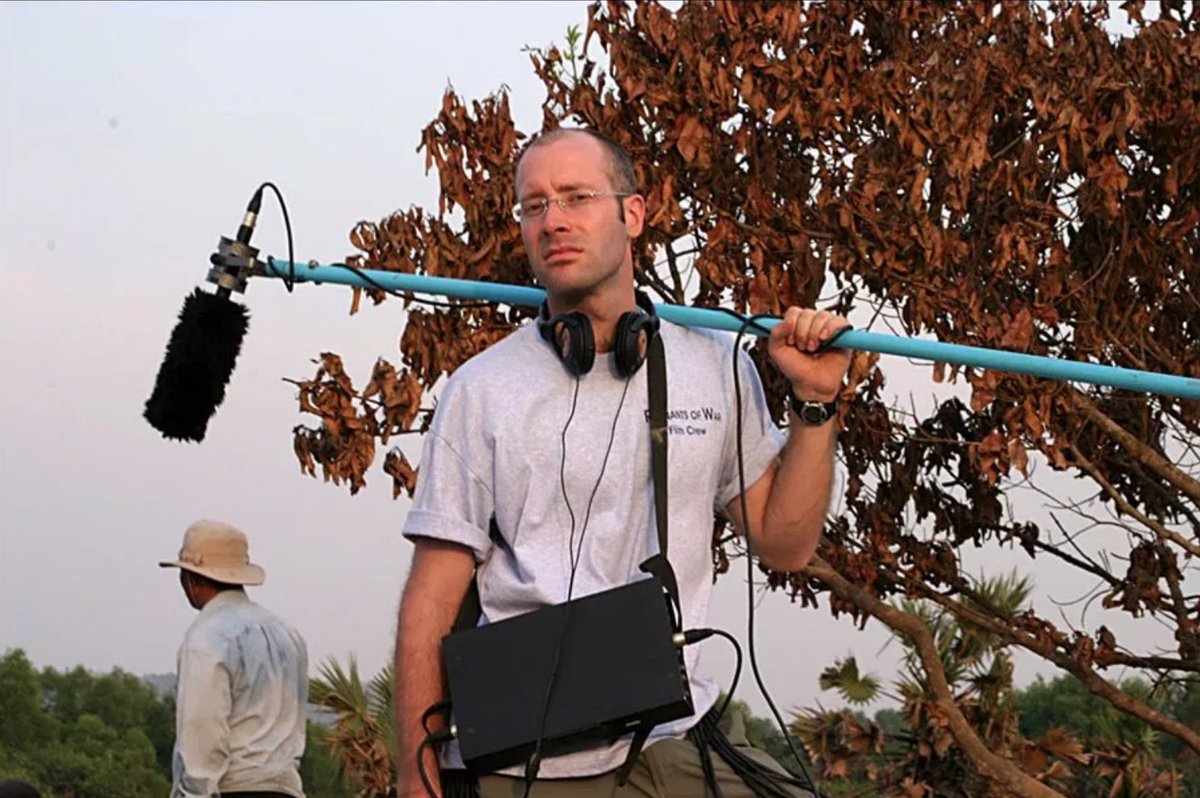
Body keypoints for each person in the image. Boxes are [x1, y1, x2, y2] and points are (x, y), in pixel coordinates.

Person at [394, 127, 851, 798]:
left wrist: (814, 404)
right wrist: (415, 775)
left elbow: (784, 546)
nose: (554, 220)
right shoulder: (479, 390)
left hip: (680, 728)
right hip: (533, 755)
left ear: (632, 214)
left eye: (577, 197)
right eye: (534, 205)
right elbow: (431, 599)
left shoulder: (712, 362)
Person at [160, 520, 309, 798]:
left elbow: (202, 736)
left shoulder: (207, 638)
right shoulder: (287, 634)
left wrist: (193, 792)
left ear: (190, 579)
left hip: (235, 788)